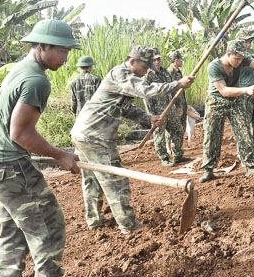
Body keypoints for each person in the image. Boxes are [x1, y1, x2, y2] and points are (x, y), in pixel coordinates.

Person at [0, 19, 88, 277]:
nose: (66, 58)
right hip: (8, 166)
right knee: (47, 223)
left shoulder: (22, 68)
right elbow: (21, 133)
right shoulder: (37, 80)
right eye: (62, 50)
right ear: (43, 45)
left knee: (13, 224)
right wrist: (60, 155)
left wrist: (56, 152)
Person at [70, 45, 194, 231]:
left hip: (84, 134)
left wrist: (148, 118)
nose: (146, 72)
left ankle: (94, 220)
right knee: (115, 181)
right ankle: (129, 226)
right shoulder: (121, 75)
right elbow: (147, 91)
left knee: (92, 179)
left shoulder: (123, 78)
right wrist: (177, 84)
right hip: (96, 137)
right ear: (133, 61)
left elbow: (126, 108)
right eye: (144, 68)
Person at [199, 39, 254, 183]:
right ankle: (208, 169)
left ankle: (250, 166)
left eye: (242, 59)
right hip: (216, 101)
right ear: (229, 54)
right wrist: (246, 90)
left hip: (236, 100)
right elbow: (223, 91)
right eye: (237, 59)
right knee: (211, 134)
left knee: (244, 131)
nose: (240, 62)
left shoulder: (244, 59)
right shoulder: (214, 66)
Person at [144, 48, 190, 167]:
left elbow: (174, 88)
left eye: (158, 59)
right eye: (154, 60)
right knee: (159, 135)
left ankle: (178, 155)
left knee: (178, 130)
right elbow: (146, 96)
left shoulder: (165, 72)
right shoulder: (147, 76)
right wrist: (151, 115)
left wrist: (178, 105)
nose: (157, 62)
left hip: (170, 108)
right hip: (158, 112)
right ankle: (164, 157)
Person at [167, 50, 188, 140]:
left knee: (182, 125)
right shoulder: (170, 72)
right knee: (174, 127)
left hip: (182, 102)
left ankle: (179, 146)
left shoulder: (178, 71)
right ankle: (170, 147)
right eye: (181, 59)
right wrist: (177, 106)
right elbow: (171, 91)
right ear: (176, 60)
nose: (182, 61)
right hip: (175, 103)